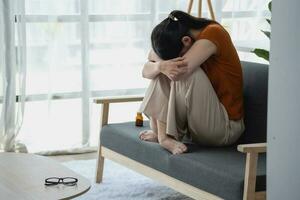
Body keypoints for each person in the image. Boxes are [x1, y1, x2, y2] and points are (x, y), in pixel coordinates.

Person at [138, 10, 245, 155]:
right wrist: (159, 66)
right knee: (163, 70)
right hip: (196, 125)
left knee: (179, 71)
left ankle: (163, 137)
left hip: (224, 128)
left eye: (180, 54)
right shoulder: (179, 36)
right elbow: (146, 71)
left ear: (186, 41)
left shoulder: (213, 33)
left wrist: (162, 64)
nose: (181, 57)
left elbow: (177, 71)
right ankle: (162, 135)